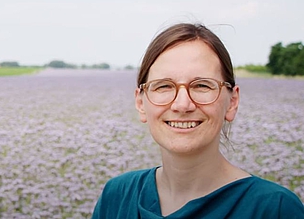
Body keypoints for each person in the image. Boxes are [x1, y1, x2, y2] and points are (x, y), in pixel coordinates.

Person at [92, 23, 304, 218]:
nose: (182, 105)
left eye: (202, 85)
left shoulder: (275, 208)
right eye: (164, 86)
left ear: (232, 102)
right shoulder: (117, 196)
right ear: (140, 102)